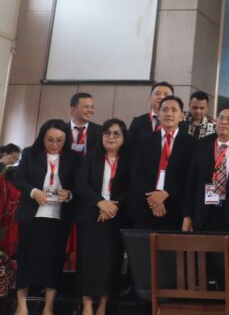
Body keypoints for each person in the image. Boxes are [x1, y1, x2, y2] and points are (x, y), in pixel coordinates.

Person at [13, 120, 80, 315]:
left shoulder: (74, 158)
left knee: (55, 260)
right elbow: (18, 178)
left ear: (66, 140)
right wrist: (34, 192)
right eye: (50, 140)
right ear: (42, 137)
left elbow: (79, 184)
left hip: (58, 216)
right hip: (32, 215)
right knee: (26, 258)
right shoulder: (30, 153)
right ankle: (21, 305)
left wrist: (68, 195)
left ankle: (48, 305)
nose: (54, 144)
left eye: (60, 140)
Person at [75, 119, 131, 315]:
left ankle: (103, 305)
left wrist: (113, 207)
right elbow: (81, 184)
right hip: (91, 216)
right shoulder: (90, 157)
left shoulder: (129, 161)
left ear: (124, 138)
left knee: (111, 262)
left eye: (116, 133)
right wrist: (100, 203)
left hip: (116, 218)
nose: (111, 137)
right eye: (107, 133)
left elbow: (132, 188)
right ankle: (88, 305)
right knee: (87, 261)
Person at [182, 104, 229, 233]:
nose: (223, 122)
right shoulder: (203, 144)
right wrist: (187, 216)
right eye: (220, 118)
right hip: (204, 213)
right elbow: (192, 182)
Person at [128, 95, 194, 230]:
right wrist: (154, 201)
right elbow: (137, 173)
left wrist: (166, 193)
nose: (169, 114)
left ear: (182, 116)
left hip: (175, 209)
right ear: (158, 114)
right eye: (165, 110)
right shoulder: (144, 140)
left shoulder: (192, 144)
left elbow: (190, 177)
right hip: (145, 207)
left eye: (174, 110)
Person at [127, 82, 174, 150]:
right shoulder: (138, 121)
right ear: (150, 98)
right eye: (157, 93)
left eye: (166, 94)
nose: (161, 97)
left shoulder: (180, 124)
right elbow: (129, 147)